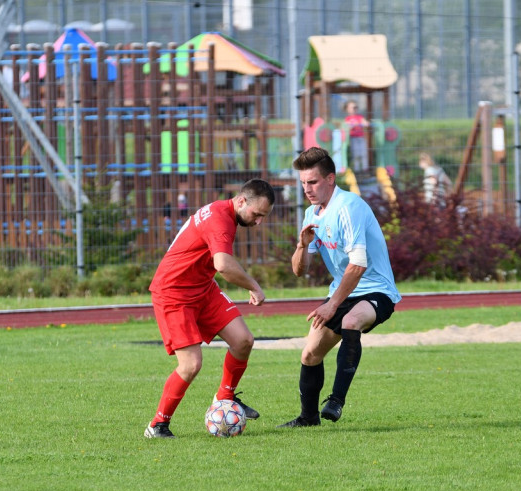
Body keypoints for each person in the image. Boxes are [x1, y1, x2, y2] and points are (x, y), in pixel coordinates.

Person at [279, 147, 401, 428]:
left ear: (331, 179)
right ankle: (308, 418)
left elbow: (358, 265)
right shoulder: (312, 213)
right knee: (310, 354)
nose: (307, 189)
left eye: (313, 182)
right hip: (344, 290)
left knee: (351, 320)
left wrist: (332, 303)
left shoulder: (349, 207)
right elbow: (300, 271)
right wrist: (302, 245)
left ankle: (336, 401)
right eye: (303, 183)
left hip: (376, 289)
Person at [144, 179, 276, 439]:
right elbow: (224, 265)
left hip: (203, 288)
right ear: (241, 201)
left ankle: (225, 398)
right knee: (191, 364)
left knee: (243, 341)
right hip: (174, 293)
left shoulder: (224, 213)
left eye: (263, 217)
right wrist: (254, 286)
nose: (258, 221)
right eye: (257, 214)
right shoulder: (219, 218)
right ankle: (157, 425)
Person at [343, 101, 370, 171]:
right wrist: (353, 125)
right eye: (352, 107)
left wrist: (364, 123)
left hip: (361, 138)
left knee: (363, 153)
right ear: (347, 109)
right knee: (355, 154)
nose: (354, 109)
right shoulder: (348, 119)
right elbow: (346, 127)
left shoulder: (359, 117)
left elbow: (365, 123)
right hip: (353, 139)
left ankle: (365, 169)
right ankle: (356, 170)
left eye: (356, 107)